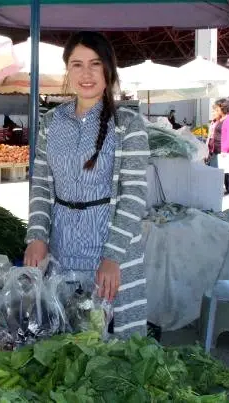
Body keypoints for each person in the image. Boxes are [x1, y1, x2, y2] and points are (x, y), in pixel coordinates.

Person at [24, 31, 149, 339]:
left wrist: (113, 258)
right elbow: (40, 185)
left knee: (111, 341)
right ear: (68, 70)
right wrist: (37, 235)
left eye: (95, 63)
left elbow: (134, 196)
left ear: (109, 69)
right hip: (62, 244)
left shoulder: (128, 124)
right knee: (64, 334)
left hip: (108, 245)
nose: (86, 73)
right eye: (77, 64)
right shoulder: (51, 122)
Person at [209, 98, 229, 196]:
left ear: (223, 108)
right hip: (217, 149)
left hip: (226, 150)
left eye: (218, 109)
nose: (216, 111)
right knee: (222, 170)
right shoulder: (220, 119)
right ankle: (227, 189)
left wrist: (224, 150)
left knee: (228, 171)